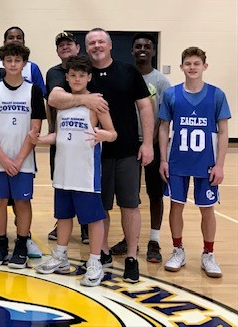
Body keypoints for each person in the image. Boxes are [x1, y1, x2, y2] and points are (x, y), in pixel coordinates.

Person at [48, 28, 154, 284]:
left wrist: (148, 143)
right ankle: (102, 254)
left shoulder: (128, 71)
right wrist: (85, 99)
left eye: (100, 42)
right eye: (91, 42)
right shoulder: (83, 75)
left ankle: (131, 257)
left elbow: (144, 106)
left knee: (130, 205)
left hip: (126, 149)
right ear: (86, 47)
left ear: (110, 46)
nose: (96, 46)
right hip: (93, 155)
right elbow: (55, 98)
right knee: (100, 208)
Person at [34, 55, 117, 287]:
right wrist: (40, 139)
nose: (77, 79)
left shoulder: (97, 103)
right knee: (63, 216)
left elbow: (112, 132)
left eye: (82, 75)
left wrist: (104, 135)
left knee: (93, 219)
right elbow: (59, 134)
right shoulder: (63, 103)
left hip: (85, 173)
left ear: (89, 77)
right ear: (67, 77)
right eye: (73, 75)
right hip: (63, 171)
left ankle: (95, 261)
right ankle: (60, 255)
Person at [158, 47, 231, 278]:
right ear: (181, 67)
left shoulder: (216, 95)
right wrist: (163, 159)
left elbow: (223, 131)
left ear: (204, 67)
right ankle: (177, 250)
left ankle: (208, 254)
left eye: (196, 64)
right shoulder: (171, 94)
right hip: (178, 159)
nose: (192, 67)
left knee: (207, 209)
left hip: (206, 162)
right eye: (187, 63)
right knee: (176, 205)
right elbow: (163, 128)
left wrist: (220, 164)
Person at [0, 43, 45, 269]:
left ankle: (21, 244)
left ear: (24, 63)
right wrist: (3, 158)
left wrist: (17, 160)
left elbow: (35, 129)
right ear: (3, 63)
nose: (13, 64)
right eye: (9, 60)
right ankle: (0, 243)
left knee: (22, 201)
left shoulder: (34, 91)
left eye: (17, 60)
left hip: (23, 160)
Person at [110, 33, 171, 262]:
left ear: (154, 51)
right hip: (127, 145)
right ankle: (130, 239)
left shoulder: (161, 82)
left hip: (152, 145)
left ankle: (154, 241)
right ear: (132, 51)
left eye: (147, 46)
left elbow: (164, 118)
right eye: (138, 46)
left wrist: (150, 143)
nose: (142, 49)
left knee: (154, 194)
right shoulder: (126, 75)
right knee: (130, 197)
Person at [45, 32, 82, 243]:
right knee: (60, 180)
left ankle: (85, 225)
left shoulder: (88, 68)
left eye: (69, 44)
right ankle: (62, 221)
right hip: (60, 135)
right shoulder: (54, 72)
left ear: (77, 47)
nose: (65, 47)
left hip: (84, 136)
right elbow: (54, 101)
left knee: (83, 181)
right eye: (61, 45)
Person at [0, 27, 46, 95]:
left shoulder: (32, 67)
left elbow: (41, 93)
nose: (15, 40)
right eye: (11, 38)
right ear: (4, 42)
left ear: (24, 41)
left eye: (19, 38)